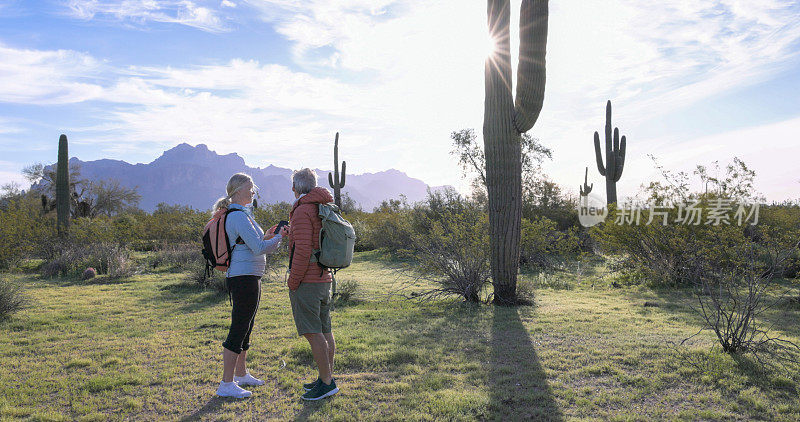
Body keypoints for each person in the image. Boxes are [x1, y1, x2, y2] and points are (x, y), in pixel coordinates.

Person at [213, 173, 288, 399]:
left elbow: (254, 243)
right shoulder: (237, 216)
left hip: (249, 276)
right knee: (238, 327)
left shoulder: (244, 215)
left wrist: (268, 236)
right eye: (250, 187)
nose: (253, 190)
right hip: (243, 277)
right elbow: (257, 248)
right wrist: (280, 237)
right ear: (237, 190)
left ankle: (241, 374)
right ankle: (226, 383)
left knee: (246, 326)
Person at [287, 168, 338, 400]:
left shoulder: (302, 211)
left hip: (307, 280)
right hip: (324, 276)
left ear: (295, 188)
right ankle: (326, 378)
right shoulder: (322, 206)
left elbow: (303, 250)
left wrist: (293, 280)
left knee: (312, 332)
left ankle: (327, 383)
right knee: (325, 329)